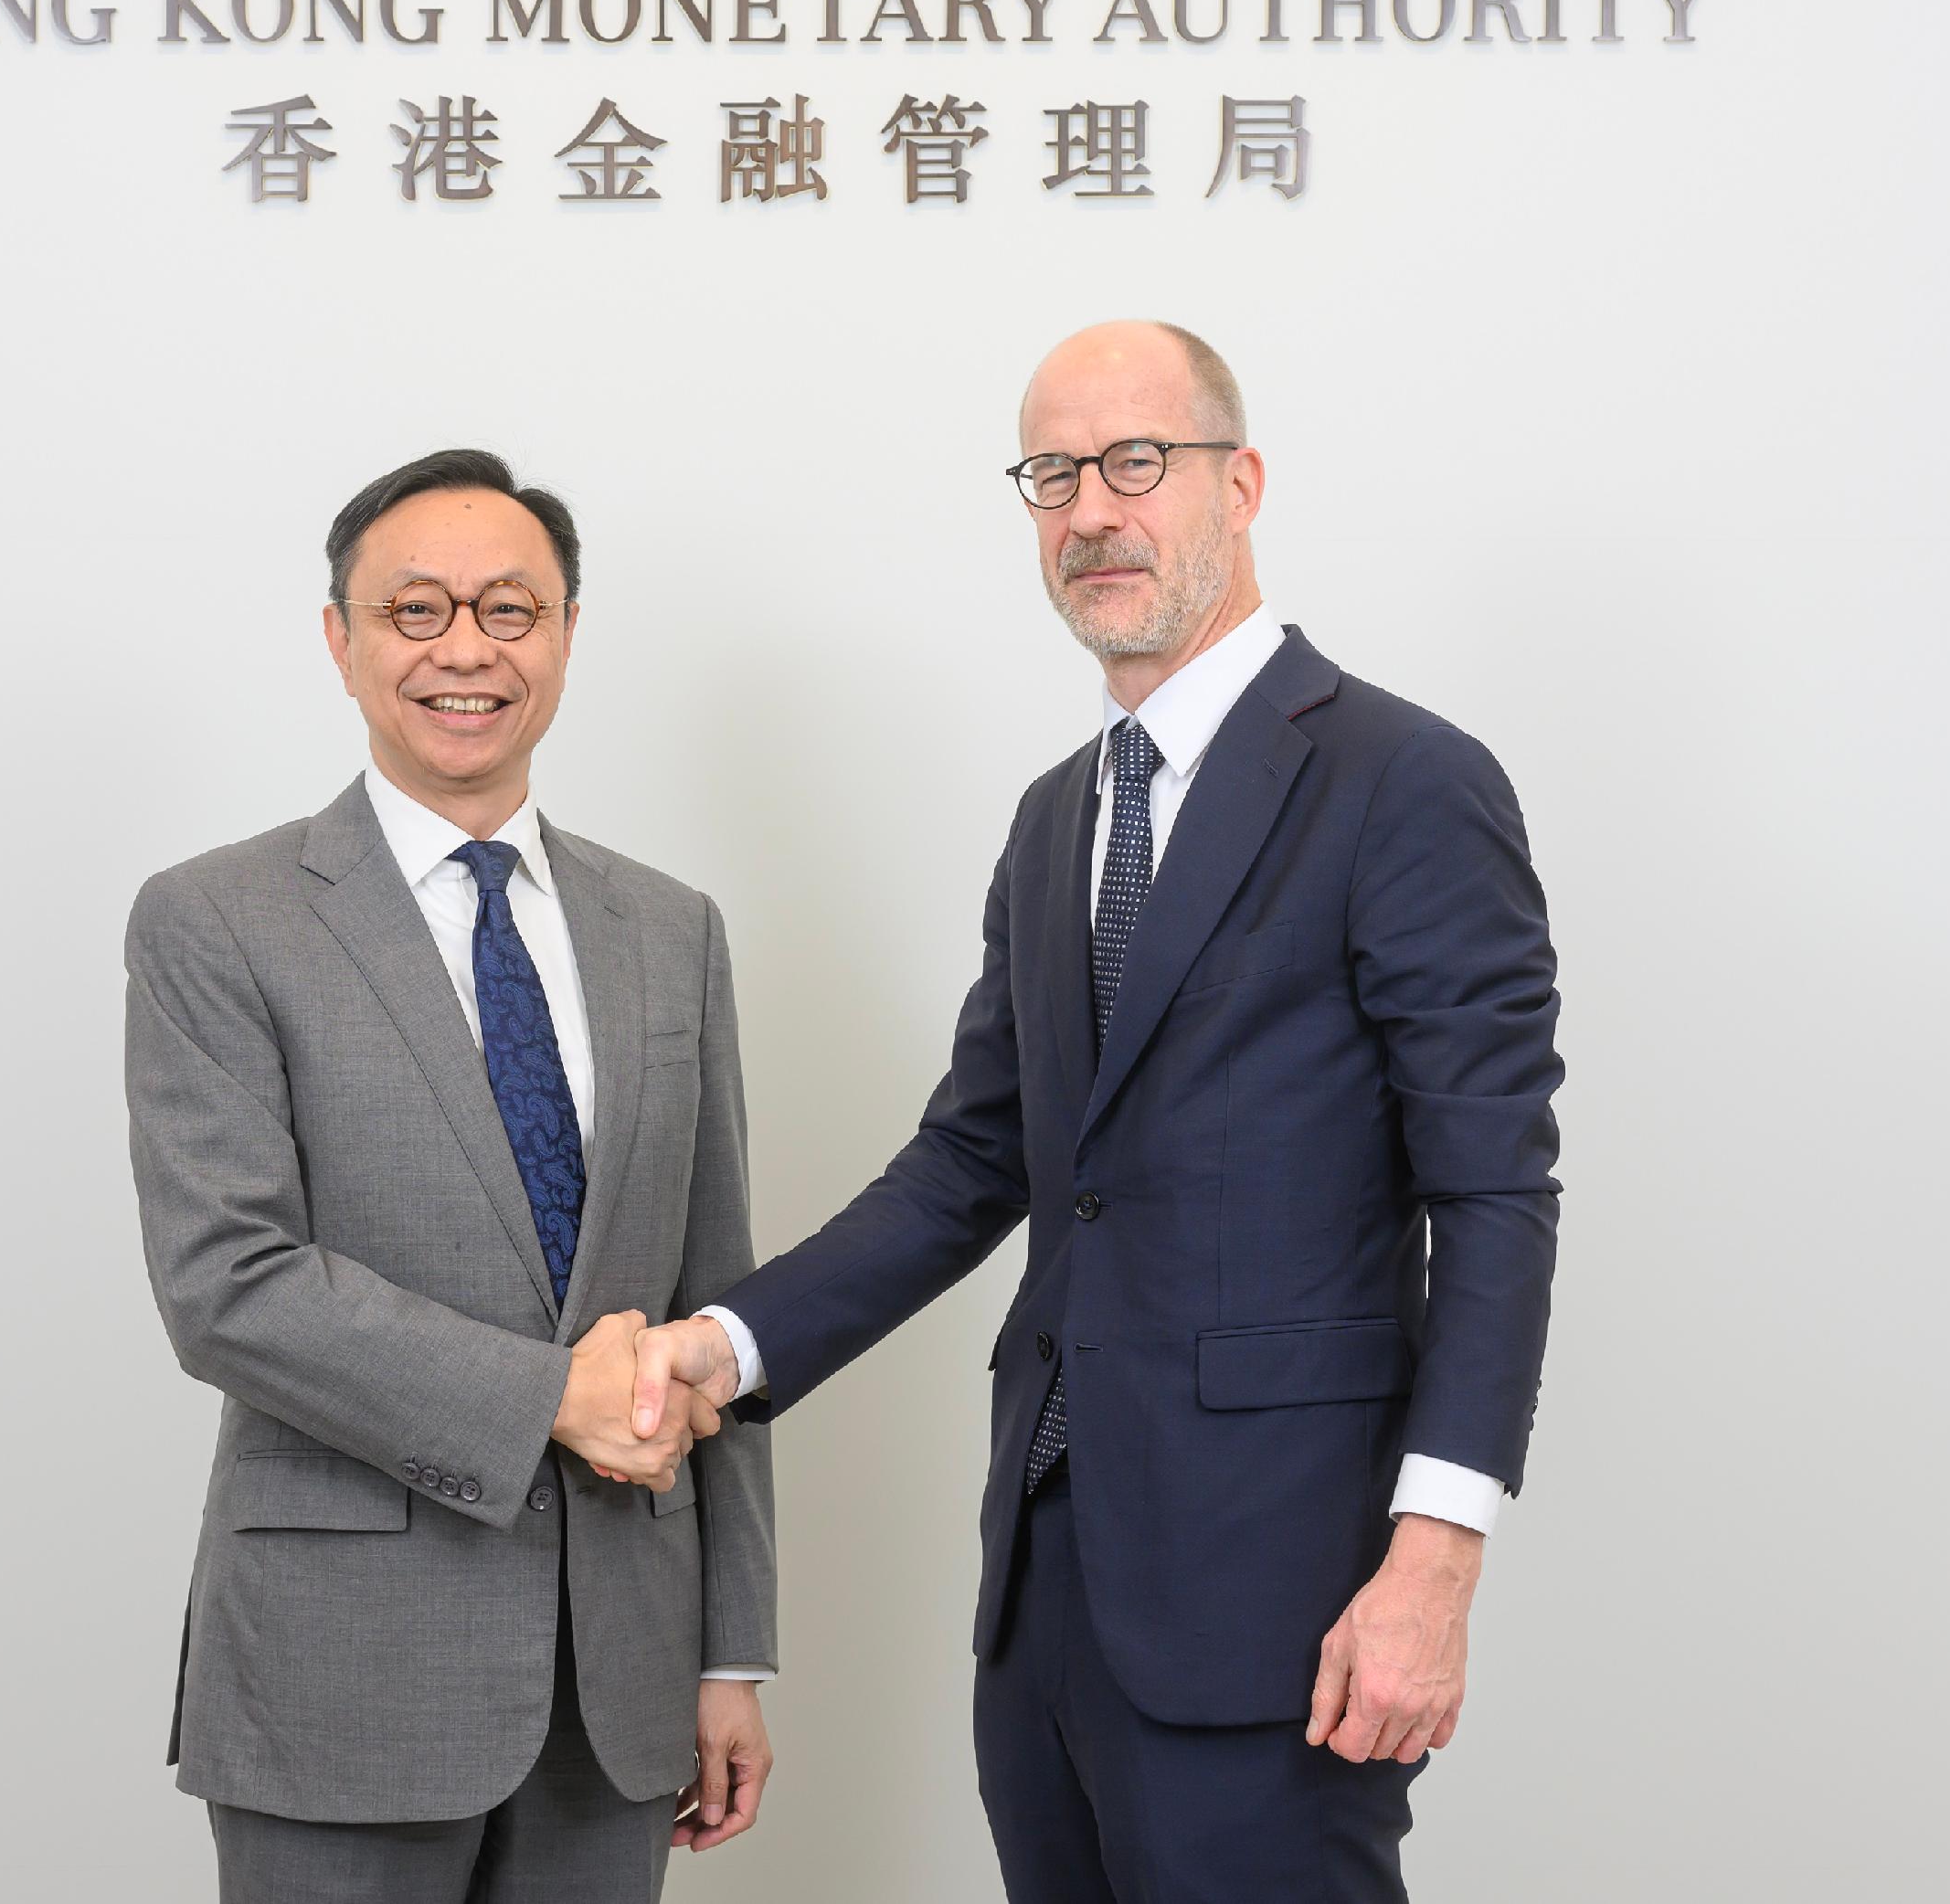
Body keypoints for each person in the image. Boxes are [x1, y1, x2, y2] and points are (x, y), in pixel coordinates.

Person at [634, 323, 1564, 1901]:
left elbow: (1494, 1195)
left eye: (1137, 462)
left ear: (1241, 482)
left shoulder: (1403, 780)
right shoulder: (1057, 812)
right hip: (1051, 1592)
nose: (1091, 512)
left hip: (1289, 1591)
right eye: (1053, 474)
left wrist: (1435, 1561)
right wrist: (719, 1349)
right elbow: (975, 1161)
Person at [121, 448, 777, 1903]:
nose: (466, 650)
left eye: (509, 608)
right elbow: (228, 1286)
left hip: (621, 1676)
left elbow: (712, 1299)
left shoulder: (671, 931)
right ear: (341, 638)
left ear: (566, 634)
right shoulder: (217, 922)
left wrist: (729, 1649)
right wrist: (552, 1399)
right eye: (415, 611)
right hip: (342, 1673)